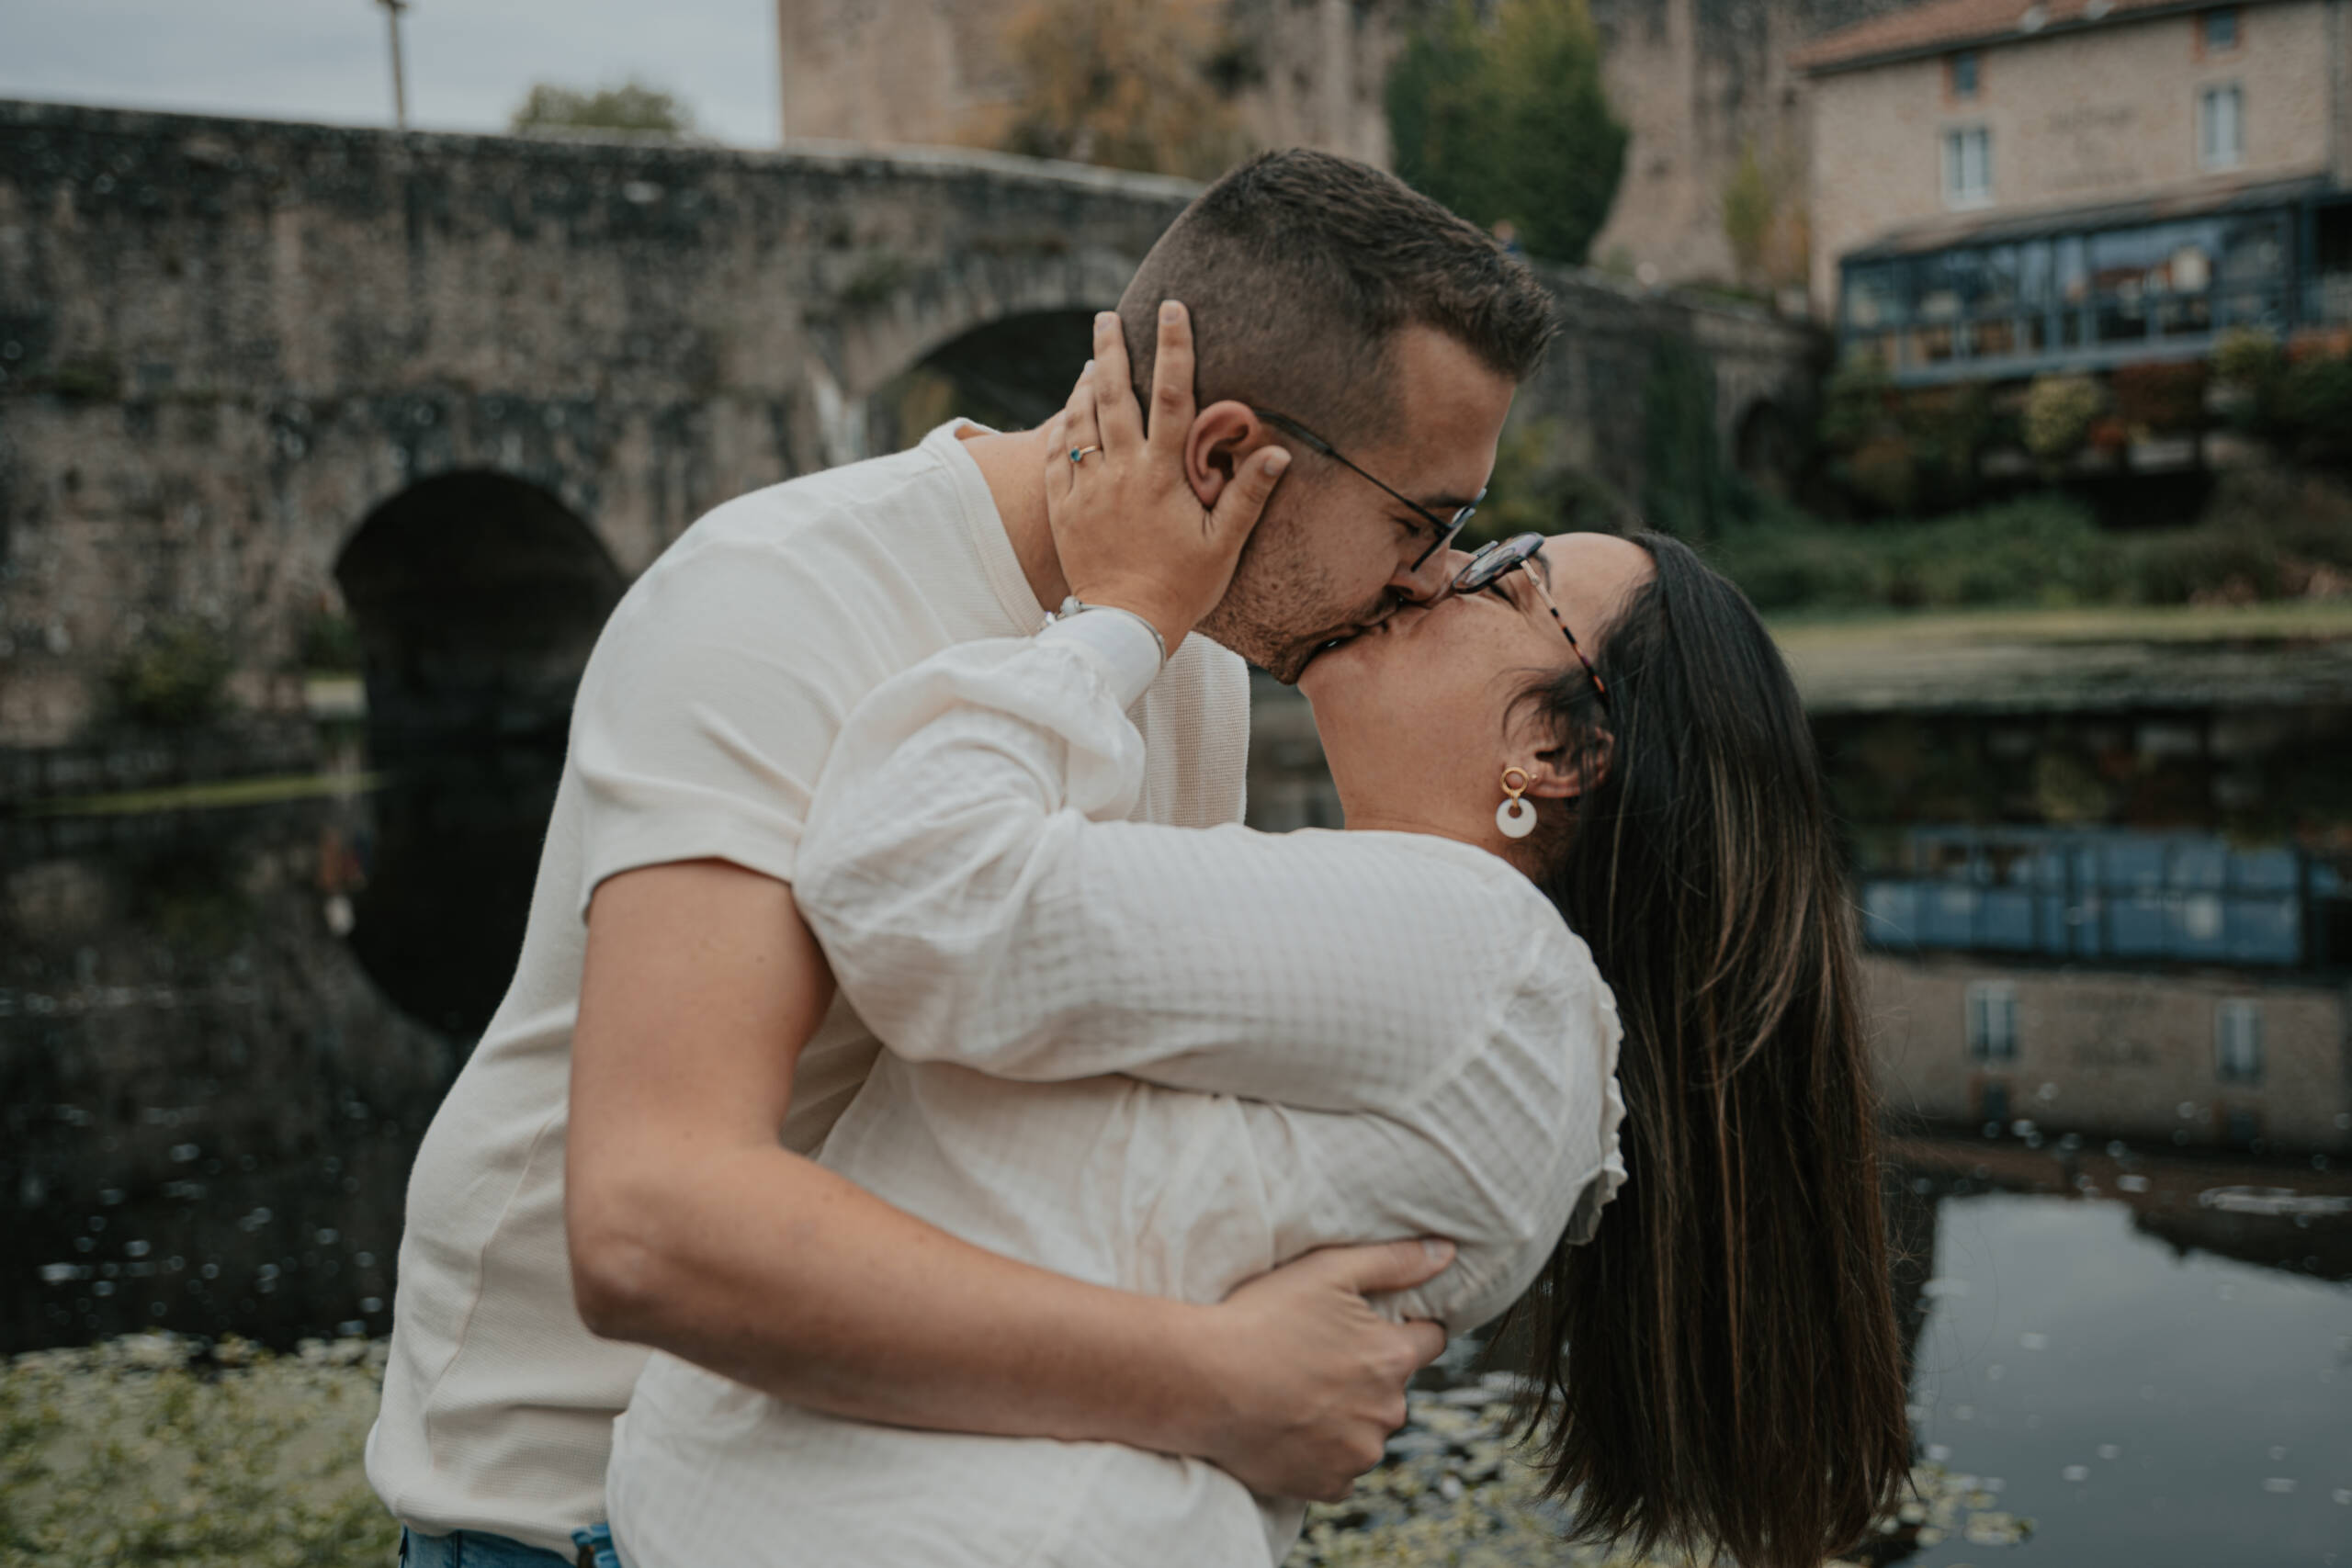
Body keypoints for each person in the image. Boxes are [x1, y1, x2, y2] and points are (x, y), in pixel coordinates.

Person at [368, 149, 1560, 1564]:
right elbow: (650, 1225)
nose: (1434, 581)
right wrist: (1216, 1381)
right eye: (1423, 525)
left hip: (894, 1498)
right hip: (575, 1519)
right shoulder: (775, 601)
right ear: (1227, 456)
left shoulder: (1197, 668)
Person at [605, 326, 1912, 1567]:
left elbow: (909, 886)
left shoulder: (1479, 955)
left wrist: (1118, 615)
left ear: (1559, 749)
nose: (1429, 573)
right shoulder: (1485, 991)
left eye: (1504, 571)